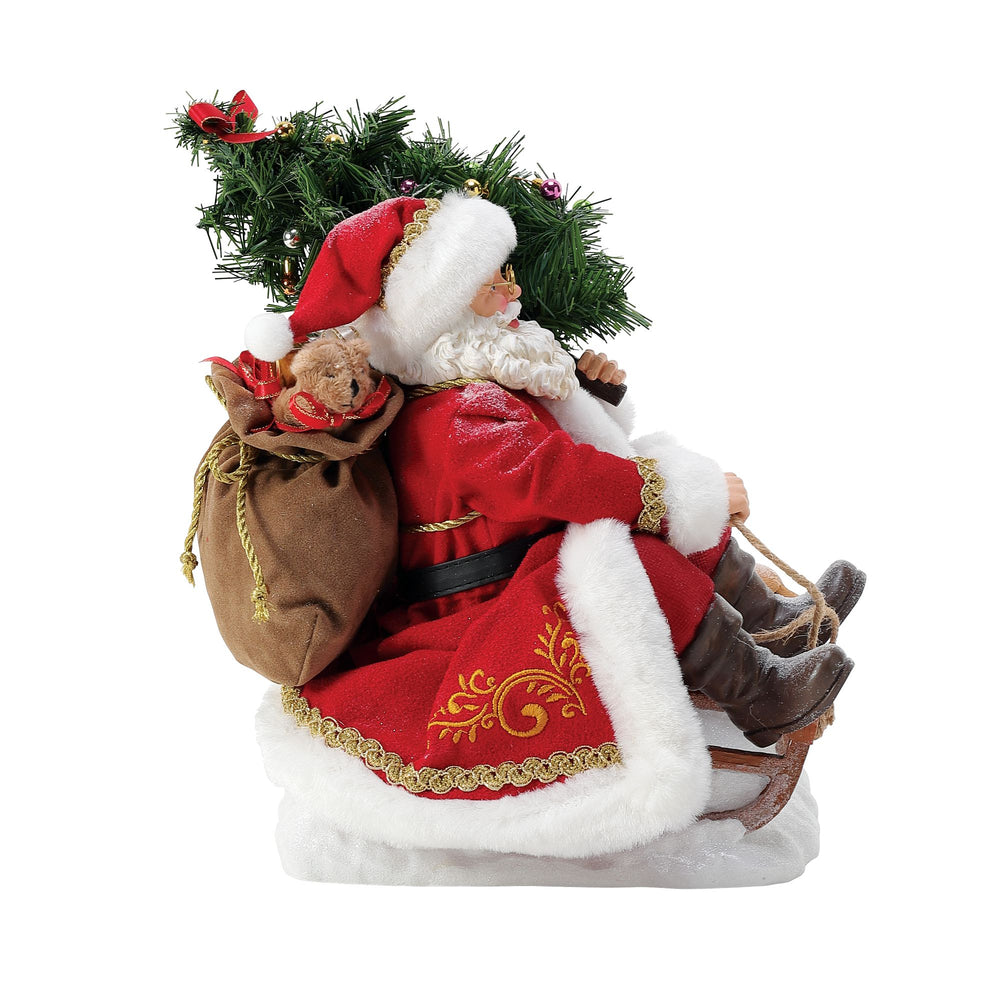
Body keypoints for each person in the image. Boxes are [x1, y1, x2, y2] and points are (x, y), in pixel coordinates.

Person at [248, 192, 864, 852]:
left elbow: (550, 448)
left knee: (657, 500)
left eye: (507, 274)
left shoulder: (475, 390)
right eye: (491, 283)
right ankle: (760, 694)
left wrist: (596, 404)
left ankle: (773, 626)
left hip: (519, 568)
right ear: (443, 308)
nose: (512, 292)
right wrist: (669, 492)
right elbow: (547, 475)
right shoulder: (453, 412)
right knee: (641, 553)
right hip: (477, 609)